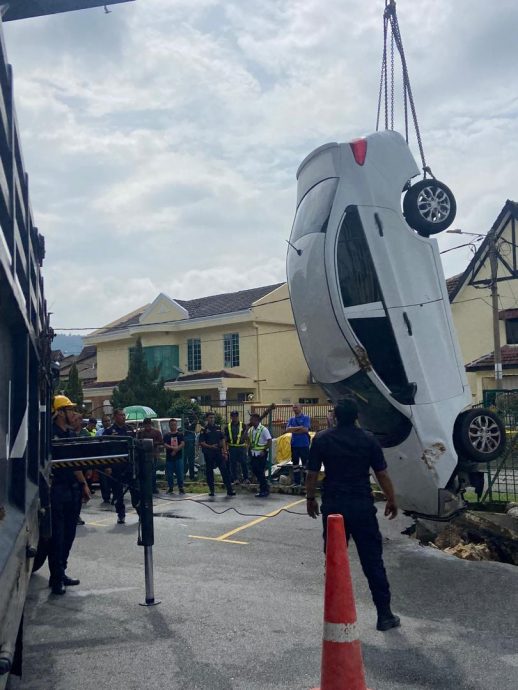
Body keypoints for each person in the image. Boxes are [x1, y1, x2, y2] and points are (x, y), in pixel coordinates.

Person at [305, 398, 400, 632]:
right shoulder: (368, 439)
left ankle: (336, 614)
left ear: (335, 416)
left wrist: (310, 499)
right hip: (362, 506)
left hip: (334, 507)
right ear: (357, 416)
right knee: (373, 561)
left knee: (335, 561)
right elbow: (382, 473)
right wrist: (391, 498)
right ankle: (384, 614)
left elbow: (312, 473)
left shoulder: (322, 439)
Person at [48, 395, 91, 595]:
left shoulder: (69, 435)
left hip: (72, 489)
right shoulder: (49, 434)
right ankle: (56, 578)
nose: (74, 413)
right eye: (69, 409)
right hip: (56, 490)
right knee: (57, 535)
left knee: (69, 534)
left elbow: (74, 463)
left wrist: (83, 485)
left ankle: (61, 571)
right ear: (59, 412)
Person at [103, 409, 137, 524]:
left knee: (135, 490)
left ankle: (139, 511)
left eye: (124, 415)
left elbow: (135, 446)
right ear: (115, 417)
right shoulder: (109, 431)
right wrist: (107, 466)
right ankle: (121, 514)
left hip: (129, 466)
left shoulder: (130, 429)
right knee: (118, 492)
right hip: (116, 467)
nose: (123, 417)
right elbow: (105, 450)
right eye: (121, 415)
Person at [199, 412, 235, 497]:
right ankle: (212, 490)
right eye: (210, 417)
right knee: (209, 472)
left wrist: (225, 451)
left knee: (224, 470)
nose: (212, 419)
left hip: (218, 453)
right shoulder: (204, 429)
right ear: (207, 419)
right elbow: (201, 442)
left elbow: (223, 440)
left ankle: (229, 490)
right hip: (209, 454)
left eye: (213, 417)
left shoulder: (218, 427)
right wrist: (210, 446)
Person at [247, 412, 272, 498]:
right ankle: (265, 486)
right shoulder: (251, 430)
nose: (250, 421)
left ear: (256, 420)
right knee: (255, 470)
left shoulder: (263, 429)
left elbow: (269, 441)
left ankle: (264, 490)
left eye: (252, 419)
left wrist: (264, 450)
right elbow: (247, 439)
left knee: (260, 472)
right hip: (253, 454)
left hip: (261, 454)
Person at [286, 403, 311, 486]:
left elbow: (305, 430)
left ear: (301, 408)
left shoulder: (306, 418)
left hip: (304, 444)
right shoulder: (291, 419)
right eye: (293, 407)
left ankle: (305, 482)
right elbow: (288, 430)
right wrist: (299, 427)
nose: (295, 409)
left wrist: (294, 430)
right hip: (294, 444)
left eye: (296, 407)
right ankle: (297, 482)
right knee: (295, 464)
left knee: (305, 464)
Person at [137, 418, 163, 494]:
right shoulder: (140, 433)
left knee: (153, 472)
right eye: (146, 424)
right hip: (143, 455)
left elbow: (161, 442)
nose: (147, 425)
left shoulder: (156, 432)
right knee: (144, 472)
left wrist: (152, 443)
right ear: (144, 424)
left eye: (149, 424)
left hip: (153, 454)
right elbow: (137, 442)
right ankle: (145, 488)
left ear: (151, 424)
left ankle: (153, 488)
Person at [225, 410, 249, 484]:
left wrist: (247, 448)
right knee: (233, 464)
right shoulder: (227, 427)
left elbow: (247, 437)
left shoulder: (243, 425)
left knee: (244, 463)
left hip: (242, 447)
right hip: (232, 448)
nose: (234, 417)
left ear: (238, 416)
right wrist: (225, 449)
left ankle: (246, 478)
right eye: (233, 416)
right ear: (231, 417)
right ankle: (235, 479)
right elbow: (225, 438)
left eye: (236, 416)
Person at [163, 418, 185, 494]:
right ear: (169, 425)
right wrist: (172, 448)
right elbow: (165, 444)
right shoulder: (166, 435)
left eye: (175, 425)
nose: (173, 426)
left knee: (180, 473)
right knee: (169, 474)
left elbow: (182, 443)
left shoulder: (180, 434)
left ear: (176, 425)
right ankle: (171, 487)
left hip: (178, 457)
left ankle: (181, 487)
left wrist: (176, 450)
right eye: (172, 425)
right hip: (169, 458)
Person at [96, 414, 113, 505]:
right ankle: (106, 497)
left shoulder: (114, 431)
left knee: (113, 479)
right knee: (103, 480)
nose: (107, 422)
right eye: (105, 421)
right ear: (102, 423)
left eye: (108, 421)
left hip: (113, 458)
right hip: (102, 458)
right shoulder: (99, 432)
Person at [183, 411, 198, 481]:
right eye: (186, 420)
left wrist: (193, 414)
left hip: (190, 445)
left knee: (190, 461)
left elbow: (196, 420)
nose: (187, 421)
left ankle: (190, 475)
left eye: (187, 420)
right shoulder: (184, 429)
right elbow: (196, 420)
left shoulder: (190, 427)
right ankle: (186, 475)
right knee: (186, 460)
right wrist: (193, 414)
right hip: (186, 445)